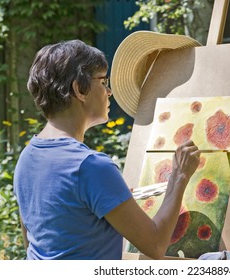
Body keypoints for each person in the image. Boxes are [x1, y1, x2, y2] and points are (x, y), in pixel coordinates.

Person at [13, 39, 201, 260]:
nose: (109, 91)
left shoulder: (27, 157)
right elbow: (156, 245)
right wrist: (179, 177)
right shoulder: (91, 166)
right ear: (79, 89)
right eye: (102, 81)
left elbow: (33, 243)